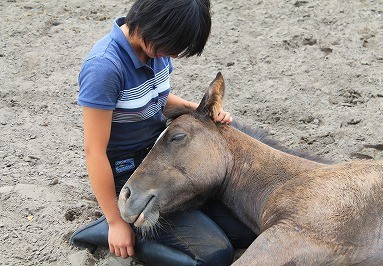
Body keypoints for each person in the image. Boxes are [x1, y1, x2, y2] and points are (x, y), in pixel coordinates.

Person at [70, 0, 256, 265]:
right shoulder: (104, 68)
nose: (174, 54)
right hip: (131, 175)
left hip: (163, 156)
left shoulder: (155, 50)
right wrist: (115, 222)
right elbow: (94, 150)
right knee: (216, 255)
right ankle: (111, 226)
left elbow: (158, 97)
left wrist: (200, 110)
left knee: (245, 231)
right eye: (171, 45)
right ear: (153, 22)